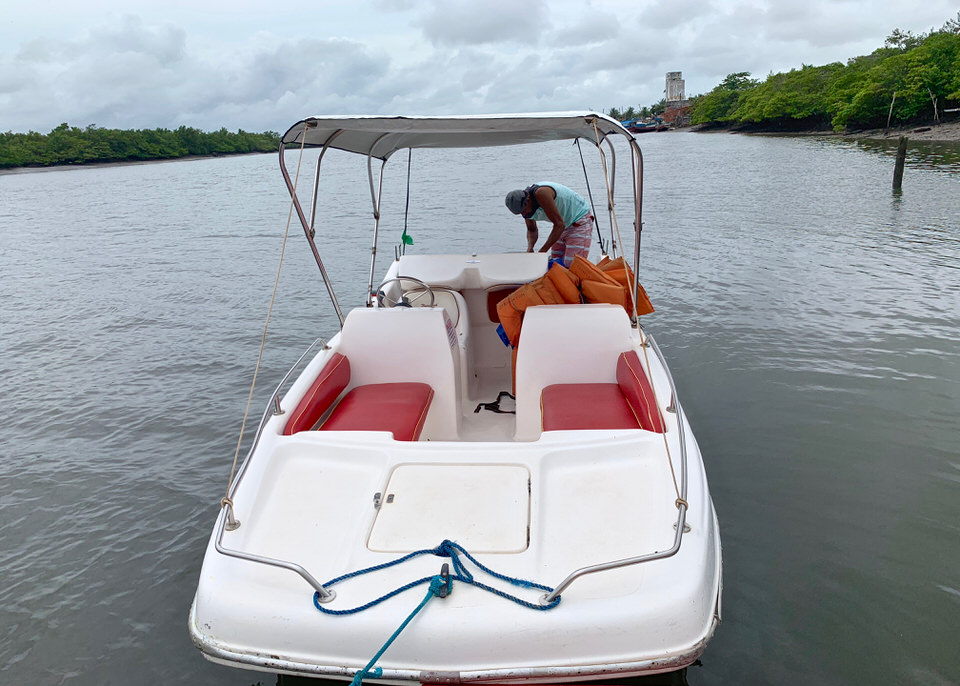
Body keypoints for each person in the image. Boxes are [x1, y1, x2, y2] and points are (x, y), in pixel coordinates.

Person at [504, 182, 594, 266]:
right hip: (562, 223)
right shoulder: (523, 206)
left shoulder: (541, 194)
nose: (523, 214)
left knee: (572, 265)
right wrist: (530, 248)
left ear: (528, 200)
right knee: (556, 263)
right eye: (520, 213)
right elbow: (532, 229)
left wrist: (541, 253)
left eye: (523, 211)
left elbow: (559, 225)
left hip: (578, 219)